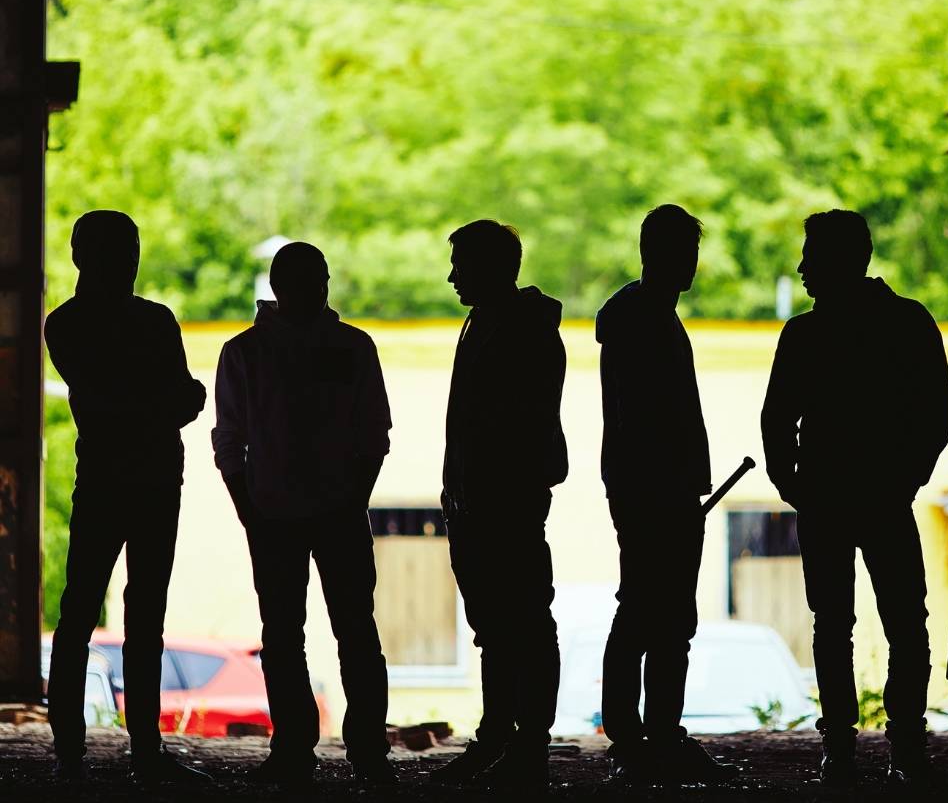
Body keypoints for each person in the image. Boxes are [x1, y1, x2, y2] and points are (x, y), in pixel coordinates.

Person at [761, 209, 948, 787]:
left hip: (825, 495)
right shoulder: (907, 322)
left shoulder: (805, 334)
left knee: (831, 623)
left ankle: (841, 747)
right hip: (883, 496)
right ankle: (906, 744)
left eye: (809, 256)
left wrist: (790, 482)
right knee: (905, 620)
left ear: (834, 262)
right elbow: (936, 413)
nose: (800, 269)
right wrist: (908, 476)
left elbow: (776, 418)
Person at [211, 241, 394, 788]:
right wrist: (351, 501)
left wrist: (251, 511)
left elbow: (230, 444)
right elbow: (373, 437)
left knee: (285, 636)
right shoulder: (353, 348)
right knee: (356, 633)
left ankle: (294, 750)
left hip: (274, 515)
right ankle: (366, 752)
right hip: (334, 513)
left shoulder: (245, 352)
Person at [44, 210, 207, 784]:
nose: (132, 261)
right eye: (126, 250)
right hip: (156, 478)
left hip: (109, 478)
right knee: (141, 616)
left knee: (81, 612)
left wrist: (147, 402)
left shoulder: (64, 325)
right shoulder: (154, 322)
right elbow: (185, 398)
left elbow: (110, 401)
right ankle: (142, 749)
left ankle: (71, 751)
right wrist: (164, 402)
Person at [596, 204, 736, 786]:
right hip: (655, 490)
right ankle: (647, 737)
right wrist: (669, 487)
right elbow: (645, 416)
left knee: (651, 610)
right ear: (657, 254)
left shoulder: (640, 314)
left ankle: (643, 735)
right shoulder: (643, 318)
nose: (690, 265)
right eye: (682, 253)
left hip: (653, 487)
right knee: (660, 613)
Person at [429, 219, 567, 790]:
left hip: (504, 500)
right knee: (499, 625)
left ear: (491, 269)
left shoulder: (521, 330)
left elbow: (508, 424)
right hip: (479, 501)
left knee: (523, 623)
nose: (452, 276)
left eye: (462, 265)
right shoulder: (491, 323)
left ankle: (525, 744)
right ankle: (501, 738)